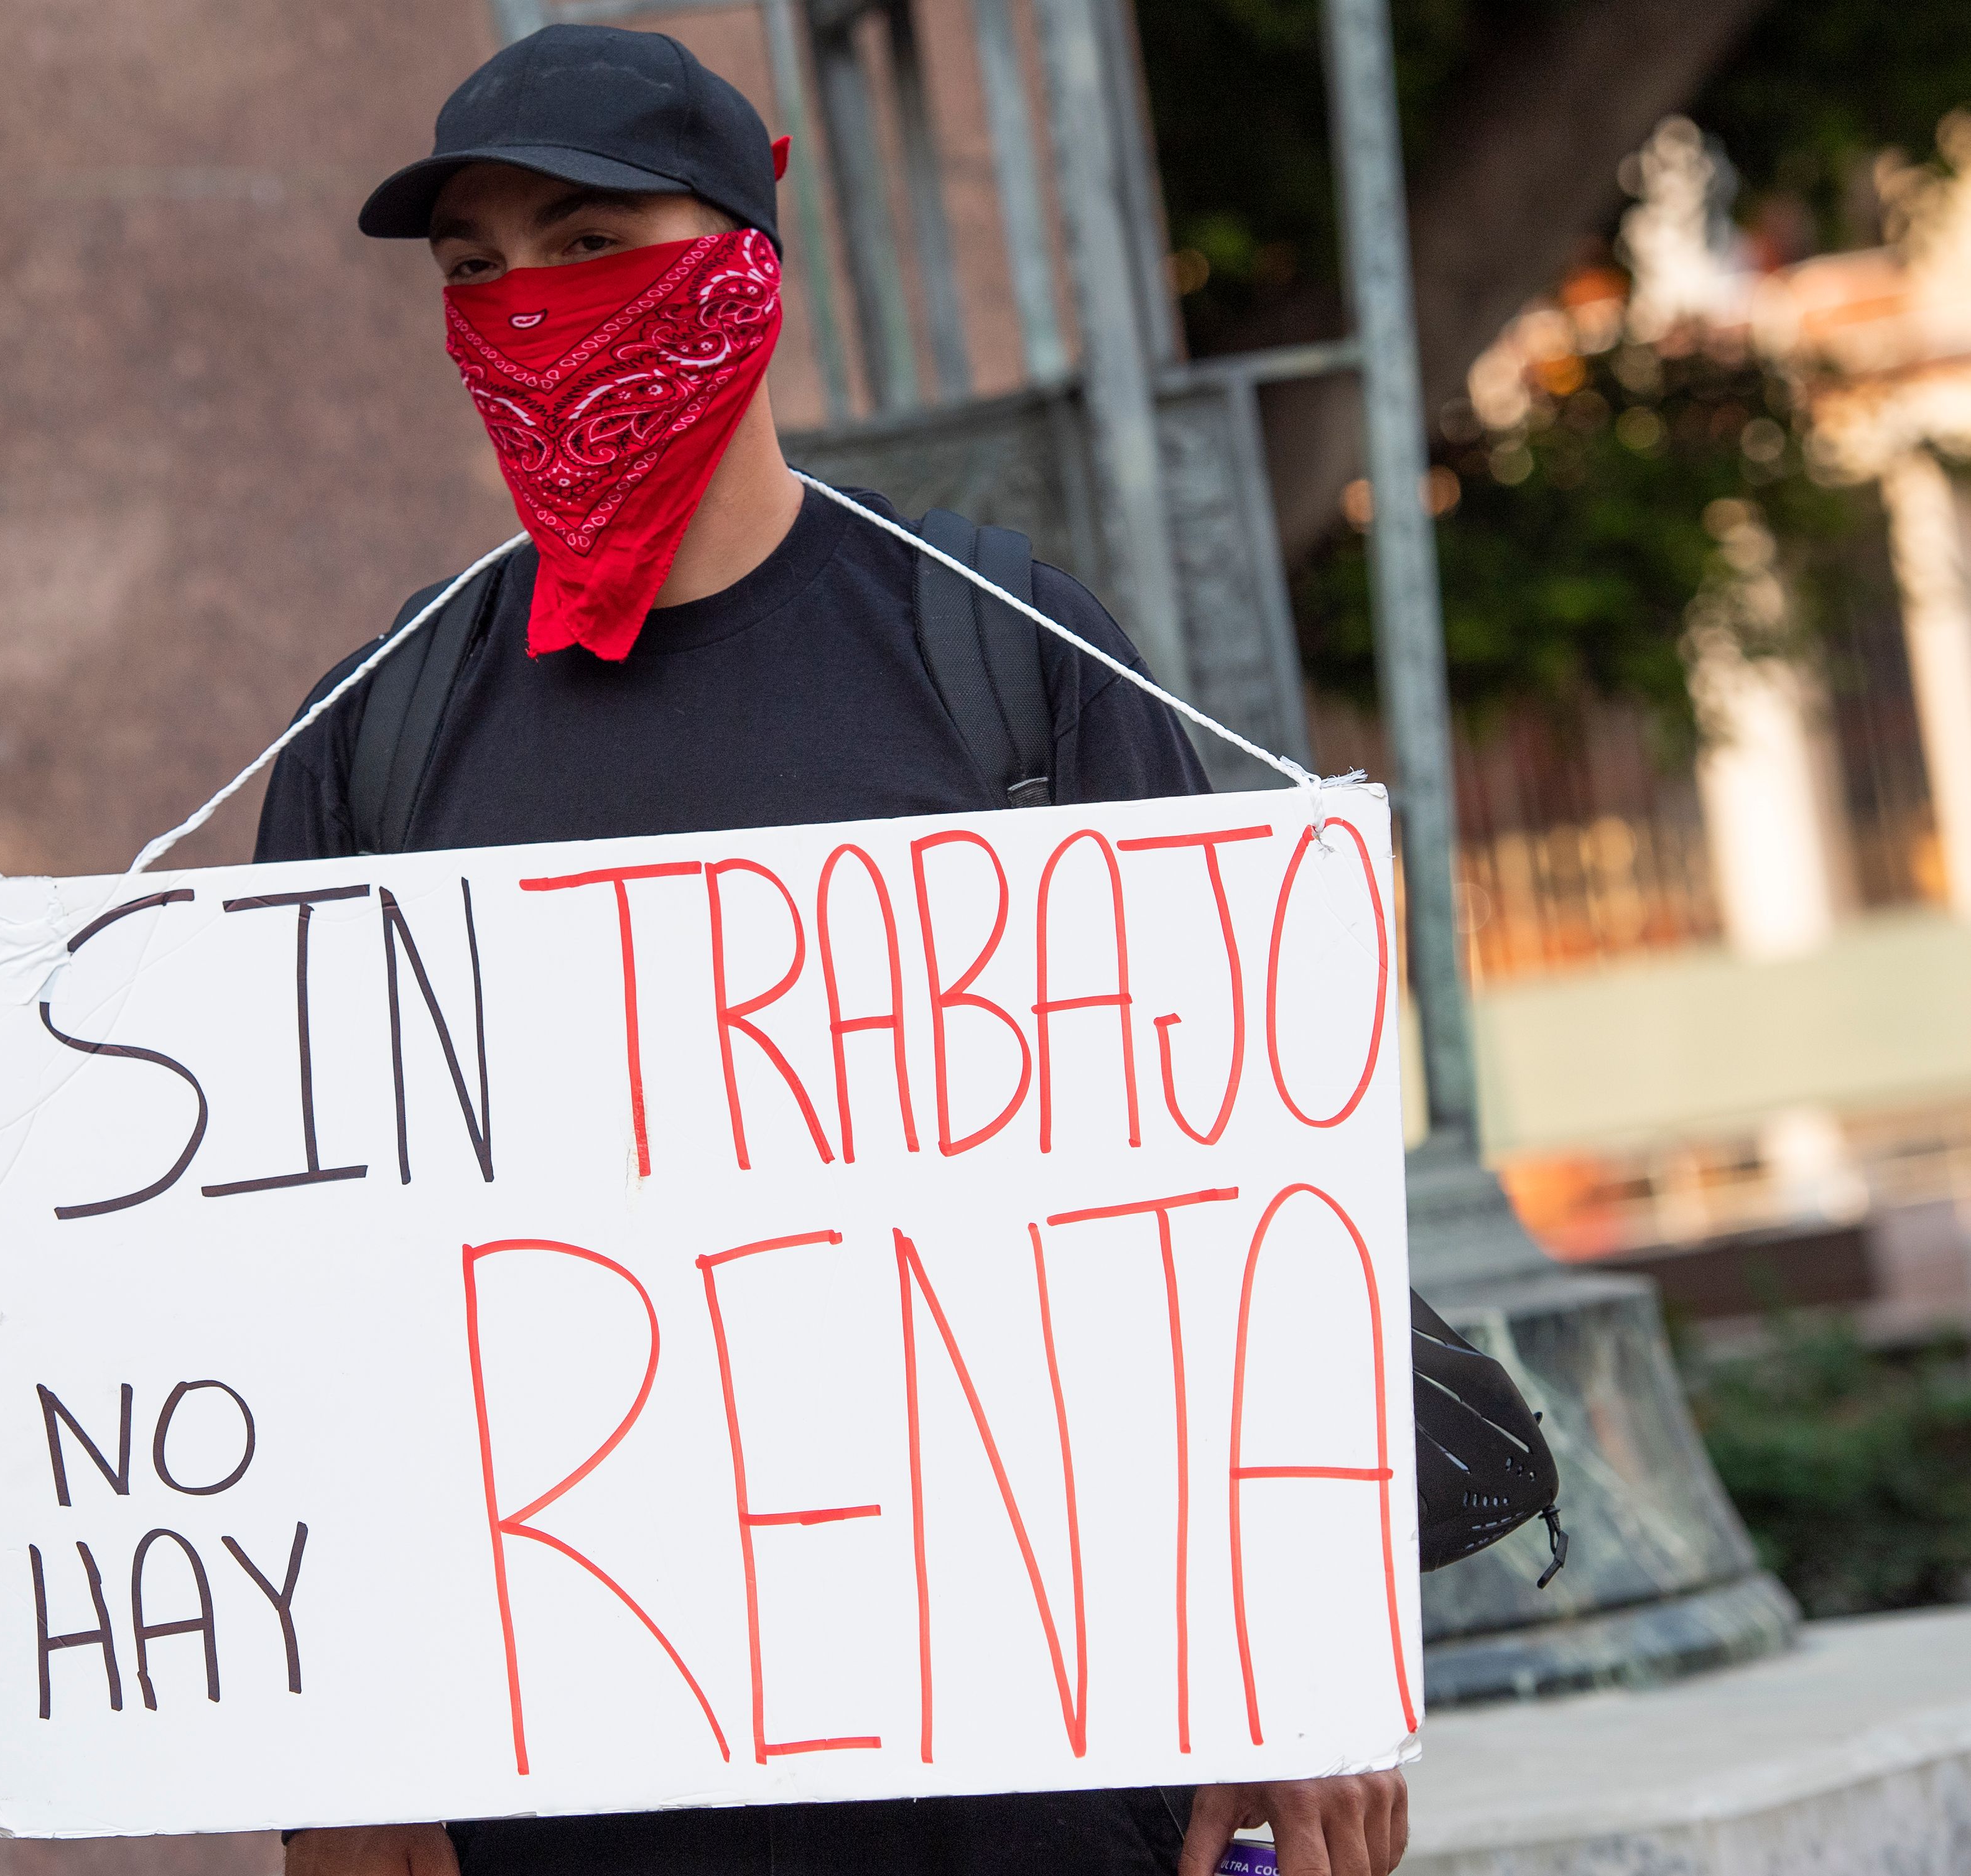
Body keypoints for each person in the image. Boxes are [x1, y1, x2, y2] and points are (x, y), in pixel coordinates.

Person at [261, 24, 1408, 1876]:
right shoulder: (381, 739)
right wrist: (337, 1761)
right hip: (578, 1799)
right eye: (473, 272)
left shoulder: (999, 656)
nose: (527, 309)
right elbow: (304, 1292)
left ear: (745, 260)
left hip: (1024, 1775)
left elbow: (1231, 1184)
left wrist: (1308, 1652)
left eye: (587, 241)